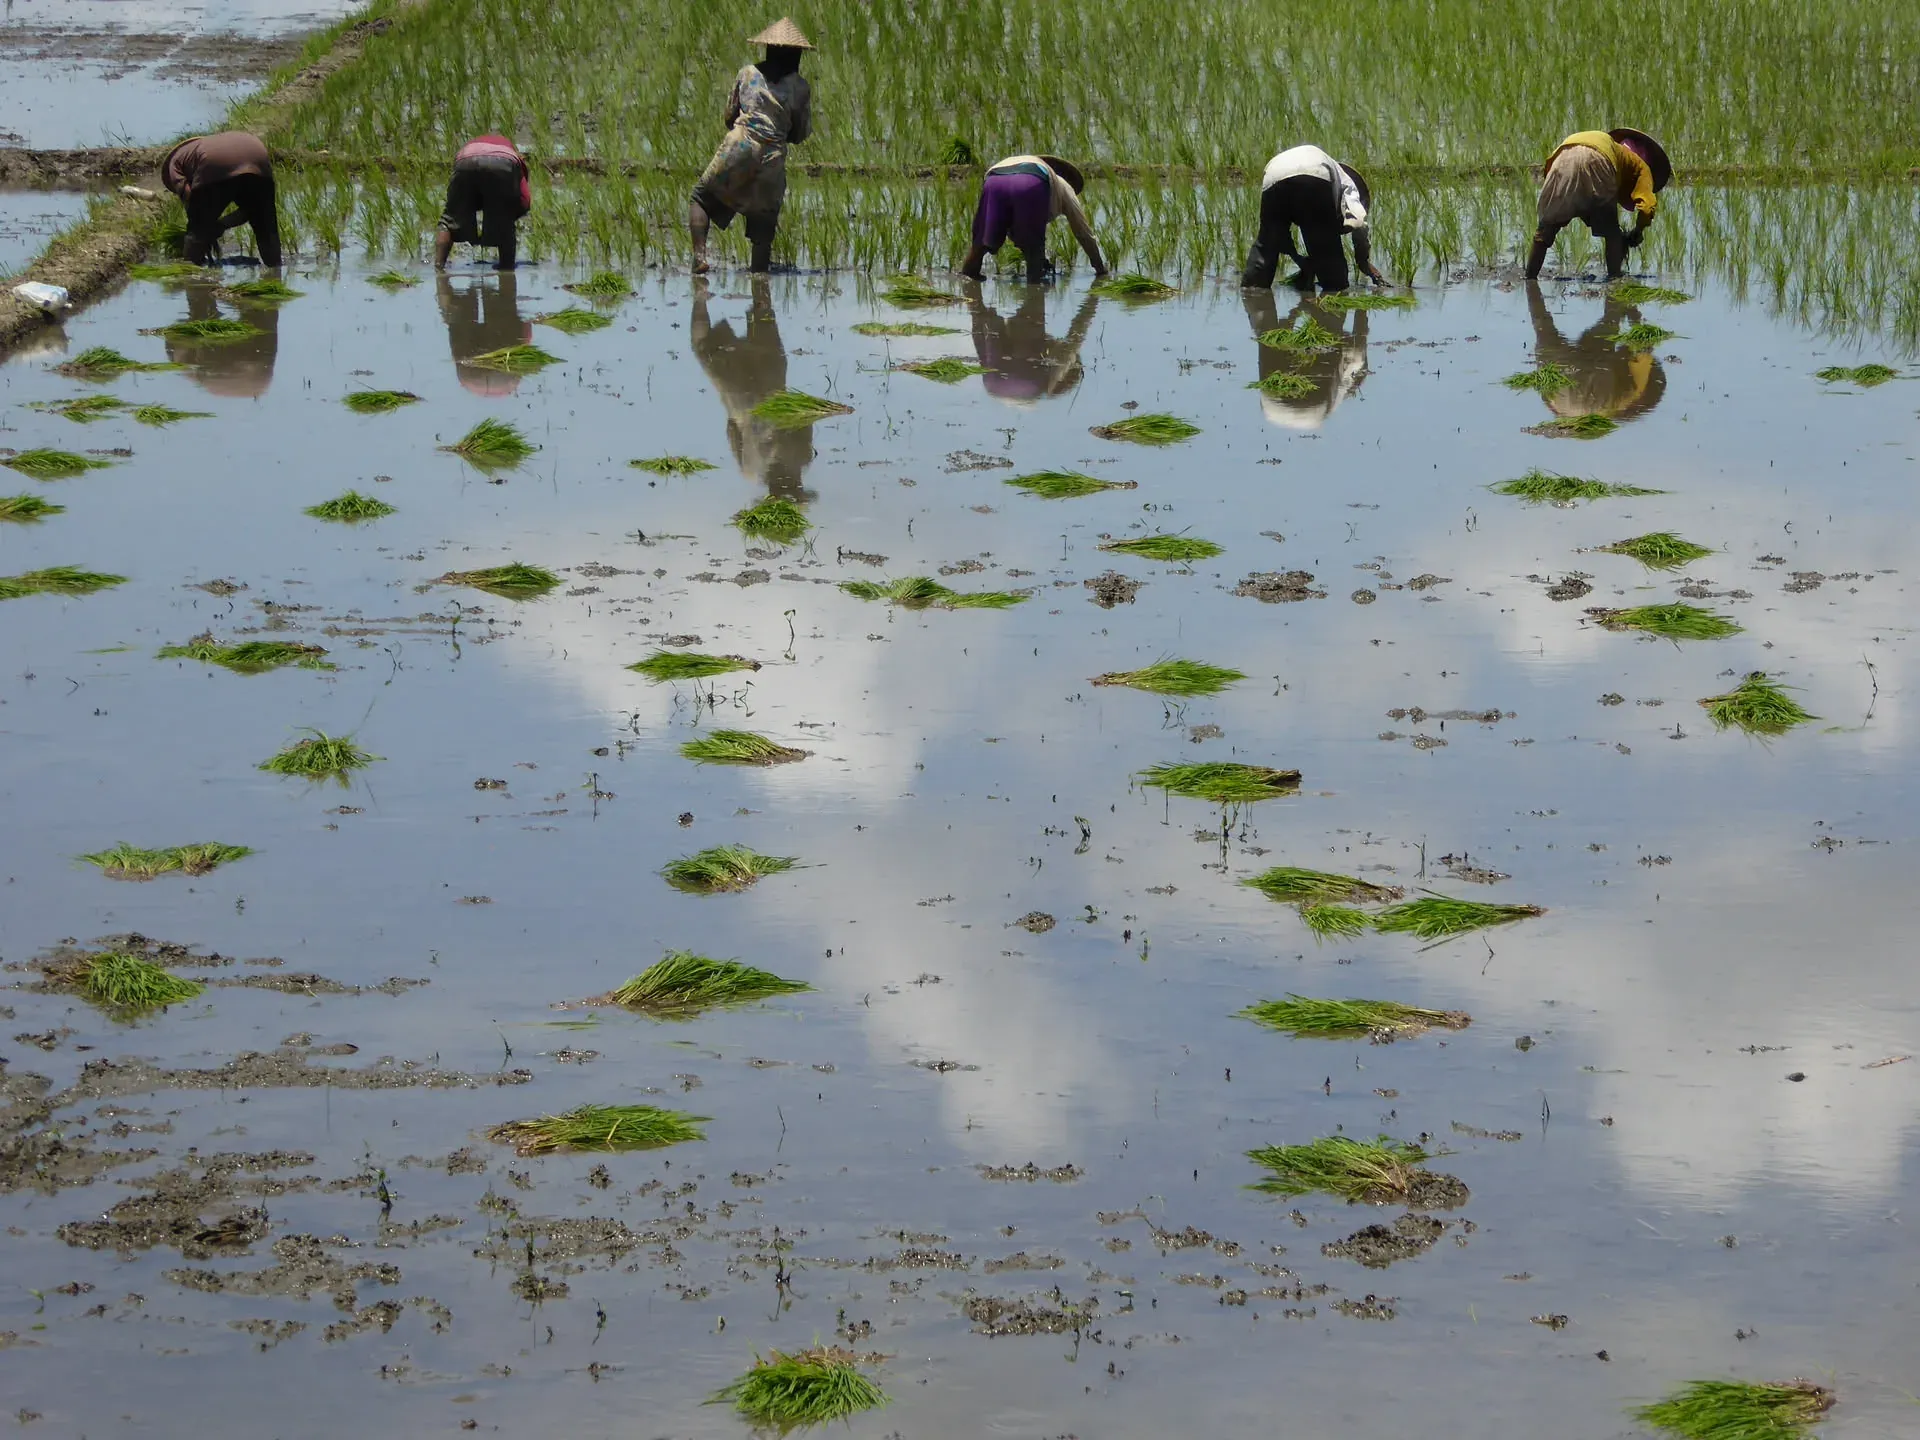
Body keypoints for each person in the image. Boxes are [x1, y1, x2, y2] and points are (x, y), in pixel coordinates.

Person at [690, 17, 814, 275]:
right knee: (763, 224)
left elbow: (729, 116)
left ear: (769, 48)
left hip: (741, 145)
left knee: (701, 198)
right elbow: (800, 133)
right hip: (774, 156)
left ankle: (700, 257)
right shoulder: (800, 88)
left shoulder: (748, 74)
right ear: (796, 55)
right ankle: (759, 280)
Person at [690, 276, 817, 502]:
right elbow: (732, 430)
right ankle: (700, 297)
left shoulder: (802, 458)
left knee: (763, 321)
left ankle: (758, 281)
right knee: (704, 347)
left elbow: (804, 418)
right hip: (739, 395)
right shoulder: (750, 470)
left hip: (770, 380)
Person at [1526, 128, 1671, 280]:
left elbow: (1584, 199)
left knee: (1547, 227)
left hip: (1563, 154)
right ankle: (1615, 279)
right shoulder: (1642, 166)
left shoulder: (1615, 149)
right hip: (1599, 157)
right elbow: (1647, 207)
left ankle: (1530, 279)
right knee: (1612, 233)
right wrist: (1638, 231)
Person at [1242, 145, 1383, 292]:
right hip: (1315, 177)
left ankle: (1253, 292)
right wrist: (1363, 262)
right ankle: (1332, 300)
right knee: (1330, 266)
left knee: (1266, 245)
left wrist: (1301, 261)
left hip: (1272, 174)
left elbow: (1281, 239)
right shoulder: (1347, 181)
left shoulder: (1328, 168)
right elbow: (1359, 222)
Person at [1522, 282, 1666, 425]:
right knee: (1541, 323)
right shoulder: (1623, 406)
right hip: (1561, 398)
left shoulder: (1642, 391)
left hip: (1595, 394)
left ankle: (1530, 279)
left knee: (1611, 322)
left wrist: (1634, 316)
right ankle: (1532, 294)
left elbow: (1641, 350)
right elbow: (1545, 394)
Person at [959, 155, 1106, 283]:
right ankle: (1034, 296)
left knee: (980, 243)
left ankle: (968, 278)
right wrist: (1099, 267)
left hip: (994, 180)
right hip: (1030, 182)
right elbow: (1083, 231)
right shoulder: (1065, 187)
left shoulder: (1029, 164)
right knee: (1034, 250)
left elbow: (1013, 222)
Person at [1244, 289, 1368, 430]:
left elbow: (1282, 336)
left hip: (1270, 407)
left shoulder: (1345, 385)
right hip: (1312, 409)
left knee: (1268, 338)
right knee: (1331, 333)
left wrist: (1294, 313)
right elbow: (1360, 339)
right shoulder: (1352, 374)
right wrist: (1362, 307)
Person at [965, 282, 1099, 404]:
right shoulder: (1051, 373)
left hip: (1009, 382)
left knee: (1024, 331)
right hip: (993, 385)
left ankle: (1028, 302)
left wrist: (1092, 302)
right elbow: (981, 346)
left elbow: (1078, 330)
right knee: (1011, 326)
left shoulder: (1059, 364)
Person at [161, 131, 280, 267]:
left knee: (197, 230)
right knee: (265, 223)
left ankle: (190, 274)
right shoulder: (200, 148)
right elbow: (250, 210)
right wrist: (220, 225)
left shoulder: (174, 162)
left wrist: (200, 229)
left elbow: (188, 194)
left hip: (214, 163)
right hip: (257, 154)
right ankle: (275, 269)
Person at [434, 133, 531, 271]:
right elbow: (525, 200)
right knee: (506, 220)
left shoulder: (473, 144)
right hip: (503, 162)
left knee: (449, 219)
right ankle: (507, 270)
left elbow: (470, 194)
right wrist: (506, 218)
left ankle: (438, 268)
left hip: (465, 159)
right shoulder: (515, 158)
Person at [437, 270, 532, 397]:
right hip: (474, 372)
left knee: (460, 317)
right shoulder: (512, 381)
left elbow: (526, 331)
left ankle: (442, 274)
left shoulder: (513, 379)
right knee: (500, 308)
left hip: (472, 373)